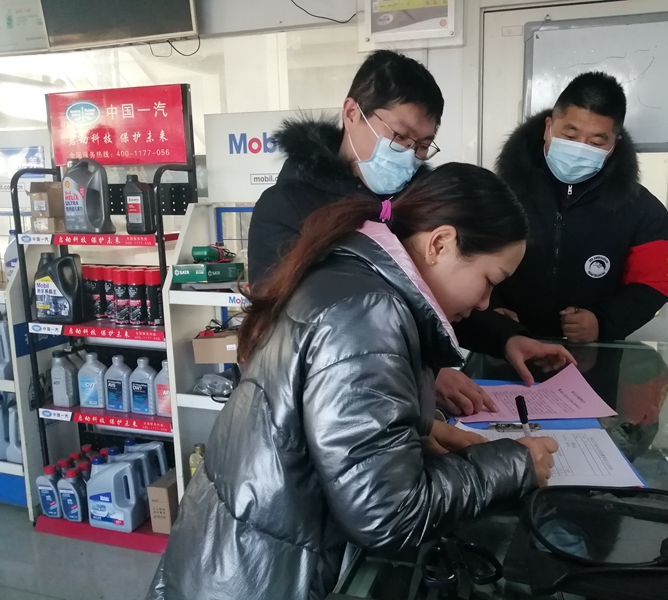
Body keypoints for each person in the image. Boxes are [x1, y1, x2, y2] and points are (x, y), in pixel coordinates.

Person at [147, 163, 562, 600]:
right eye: (489, 281)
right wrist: (514, 465)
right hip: (260, 573)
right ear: (439, 243)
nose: (484, 304)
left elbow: (321, 424)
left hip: (237, 553)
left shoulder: (353, 277)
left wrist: (411, 432)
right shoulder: (369, 313)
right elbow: (388, 516)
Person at [248, 49, 573, 415]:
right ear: (352, 113)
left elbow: (434, 292)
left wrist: (506, 337)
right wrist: (423, 372)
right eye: (401, 137)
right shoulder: (285, 208)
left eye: (422, 145)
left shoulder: (410, 198)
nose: (409, 155)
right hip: (318, 406)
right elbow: (287, 333)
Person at [456, 71, 668, 349]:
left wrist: (603, 322)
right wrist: (490, 310)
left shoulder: (644, 211)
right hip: (504, 348)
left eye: (596, 143)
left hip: (591, 357)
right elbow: (466, 258)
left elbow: (654, 284)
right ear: (548, 127)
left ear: (614, 144)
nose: (580, 150)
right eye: (570, 135)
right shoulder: (497, 193)